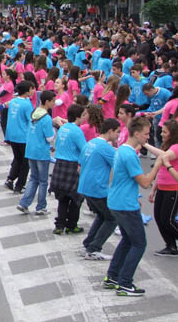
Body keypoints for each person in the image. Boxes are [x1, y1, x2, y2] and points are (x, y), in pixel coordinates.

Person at [103, 117, 159, 296]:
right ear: (136, 133)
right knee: (139, 243)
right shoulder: (129, 155)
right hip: (125, 205)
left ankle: (113, 277)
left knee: (128, 240)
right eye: (146, 134)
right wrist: (157, 165)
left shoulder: (122, 150)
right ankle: (125, 283)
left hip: (117, 201)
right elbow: (145, 182)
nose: (148, 137)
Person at [77, 118, 121, 260]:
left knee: (102, 216)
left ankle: (88, 245)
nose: (118, 135)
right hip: (97, 188)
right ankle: (93, 248)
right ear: (110, 131)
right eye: (117, 132)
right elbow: (119, 164)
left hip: (85, 186)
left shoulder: (90, 143)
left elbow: (80, 164)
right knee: (112, 218)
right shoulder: (105, 147)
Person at [50, 104, 87, 235]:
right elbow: (84, 149)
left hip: (60, 164)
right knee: (76, 198)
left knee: (63, 198)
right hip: (73, 166)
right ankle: (71, 225)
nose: (84, 118)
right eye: (83, 115)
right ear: (77, 117)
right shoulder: (77, 131)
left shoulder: (63, 128)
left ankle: (59, 225)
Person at [17, 90, 56, 215]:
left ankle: (24, 203)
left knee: (33, 178)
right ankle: (41, 207)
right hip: (41, 152)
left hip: (31, 150)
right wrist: (55, 129)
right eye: (53, 101)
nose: (54, 103)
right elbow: (49, 138)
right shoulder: (46, 118)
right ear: (47, 101)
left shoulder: (34, 113)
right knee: (43, 181)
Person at [148, 119, 178, 256]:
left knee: (168, 220)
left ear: (172, 134)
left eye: (165, 132)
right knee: (159, 218)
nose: (161, 134)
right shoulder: (167, 146)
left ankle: (172, 244)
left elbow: (163, 156)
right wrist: (154, 189)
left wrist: (144, 144)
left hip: (173, 189)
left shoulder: (176, 147)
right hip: (162, 187)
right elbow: (161, 170)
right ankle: (171, 246)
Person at [4, 81, 35, 194]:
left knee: (18, 159)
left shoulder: (13, 101)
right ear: (27, 91)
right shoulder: (27, 104)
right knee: (25, 163)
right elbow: (31, 120)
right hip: (23, 136)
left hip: (12, 135)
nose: (33, 91)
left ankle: (10, 179)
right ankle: (19, 185)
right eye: (32, 89)